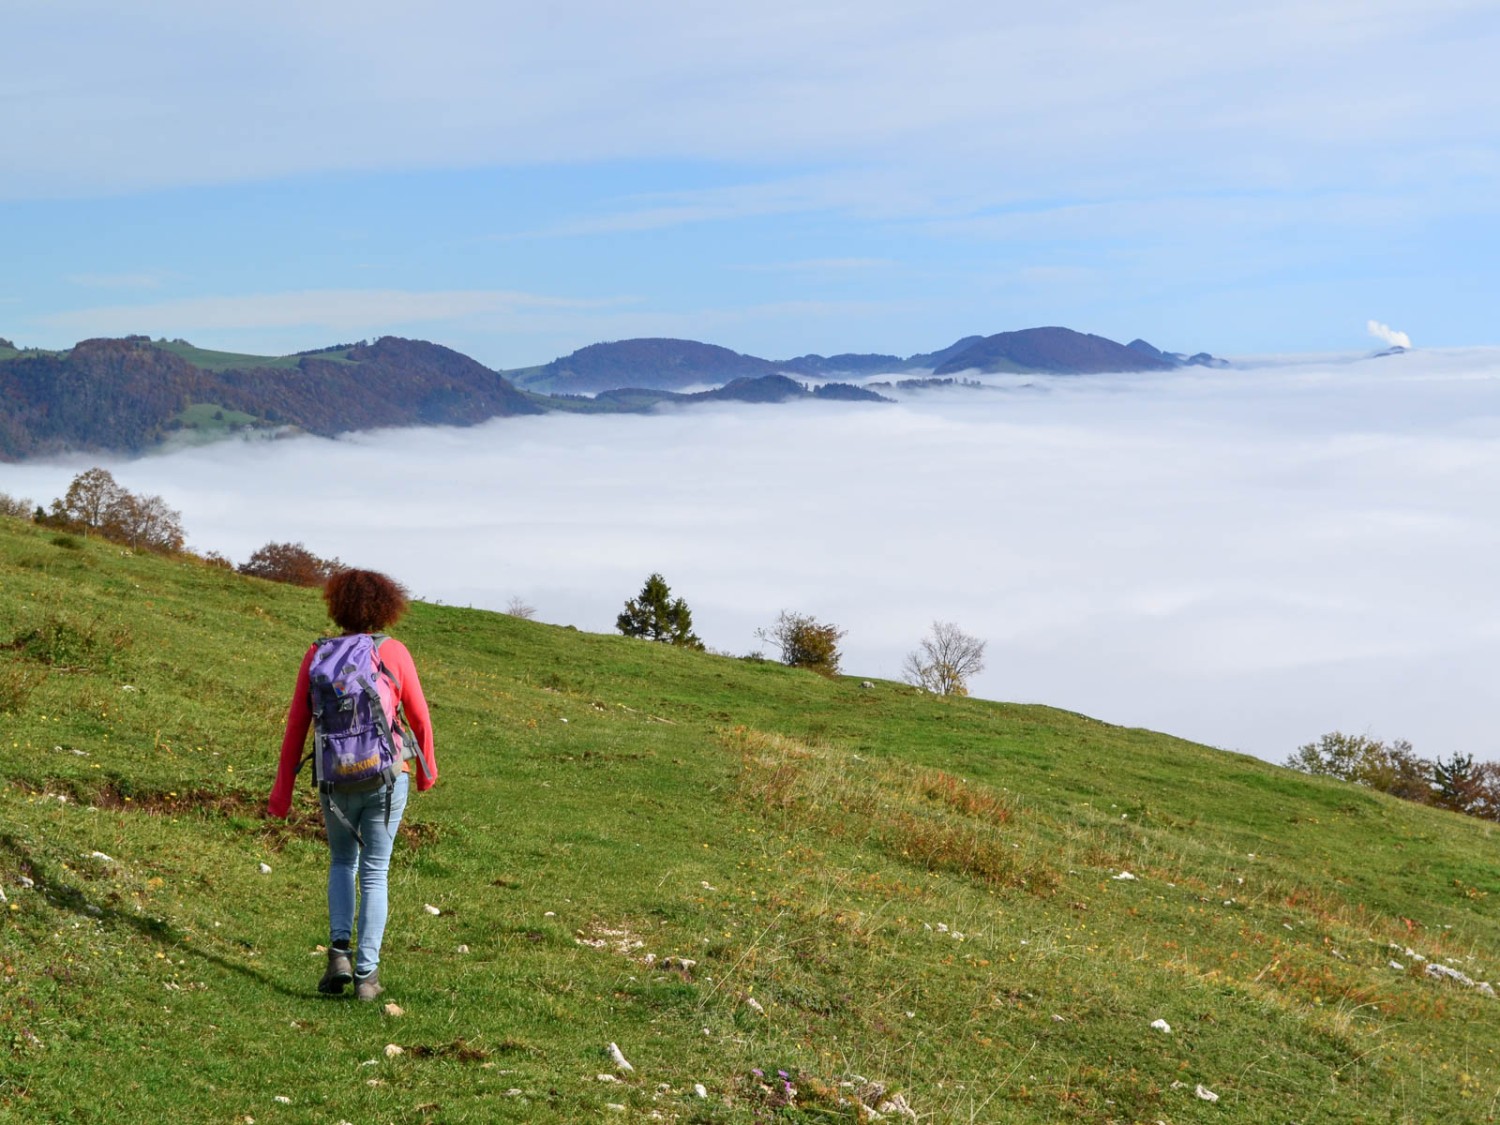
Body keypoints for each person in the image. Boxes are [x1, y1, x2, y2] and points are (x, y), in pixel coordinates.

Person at [267, 568, 438, 1000]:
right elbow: (419, 716)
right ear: (386, 607)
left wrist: (281, 791)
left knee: (343, 863)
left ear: (337, 606)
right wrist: (426, 771)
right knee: (375, 872)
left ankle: (338, 955)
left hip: (335, 778)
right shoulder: (393, 651)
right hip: (385, 776)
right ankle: (367, 977)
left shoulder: (317, 654)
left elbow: (296, 726)